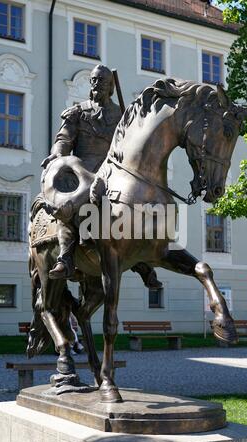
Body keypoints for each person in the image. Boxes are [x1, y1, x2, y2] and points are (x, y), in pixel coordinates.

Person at [41, 64, 161, 289]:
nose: (97, 84)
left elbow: (133, 146)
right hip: (82, 171)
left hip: (113, 171)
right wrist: (56, 155)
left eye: (102, 81)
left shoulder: (123, 115)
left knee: (143, 203)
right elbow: (64, 140)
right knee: (71, 205)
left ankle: (144, 260)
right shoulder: (78, 112)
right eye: (94, 80)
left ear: (111, 87)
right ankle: (66, 257)